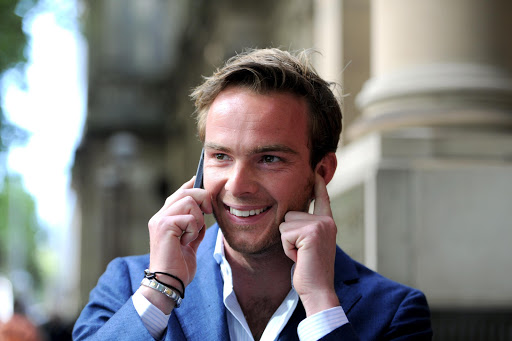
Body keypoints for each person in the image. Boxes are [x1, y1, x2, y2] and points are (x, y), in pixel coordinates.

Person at [73, 48, 432, 340]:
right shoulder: (128, 285)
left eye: (269, 158)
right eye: (221, 156)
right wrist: (160, 290)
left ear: (322, 172)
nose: (237, 185)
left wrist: (321, 304)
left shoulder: (395, 313)